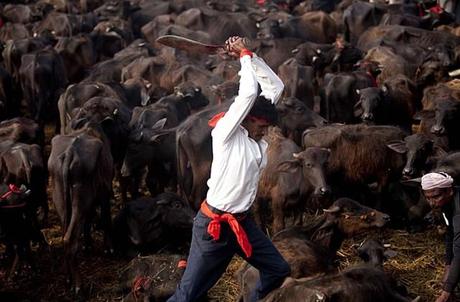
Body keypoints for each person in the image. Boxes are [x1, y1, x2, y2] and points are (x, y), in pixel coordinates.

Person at [167, 36, 291, 302]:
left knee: (278, 269)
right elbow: (247, 95)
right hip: (214, 226)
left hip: (243, 224)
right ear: (246, 120)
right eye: (260, 125)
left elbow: (276, 87)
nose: (265, 130)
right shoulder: (225, 133)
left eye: (267, 126)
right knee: (188, 295)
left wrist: (250, 57)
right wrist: (243, 55)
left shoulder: (256, 139)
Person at [421, 172, 460, 302]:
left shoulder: (459, 210)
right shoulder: (446, 203)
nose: (431, 203)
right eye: (428, 198)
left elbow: (459, 249)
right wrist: (448, 266)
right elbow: (450, 233)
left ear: (449, 191)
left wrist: (447, 291)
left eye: (436, 197)